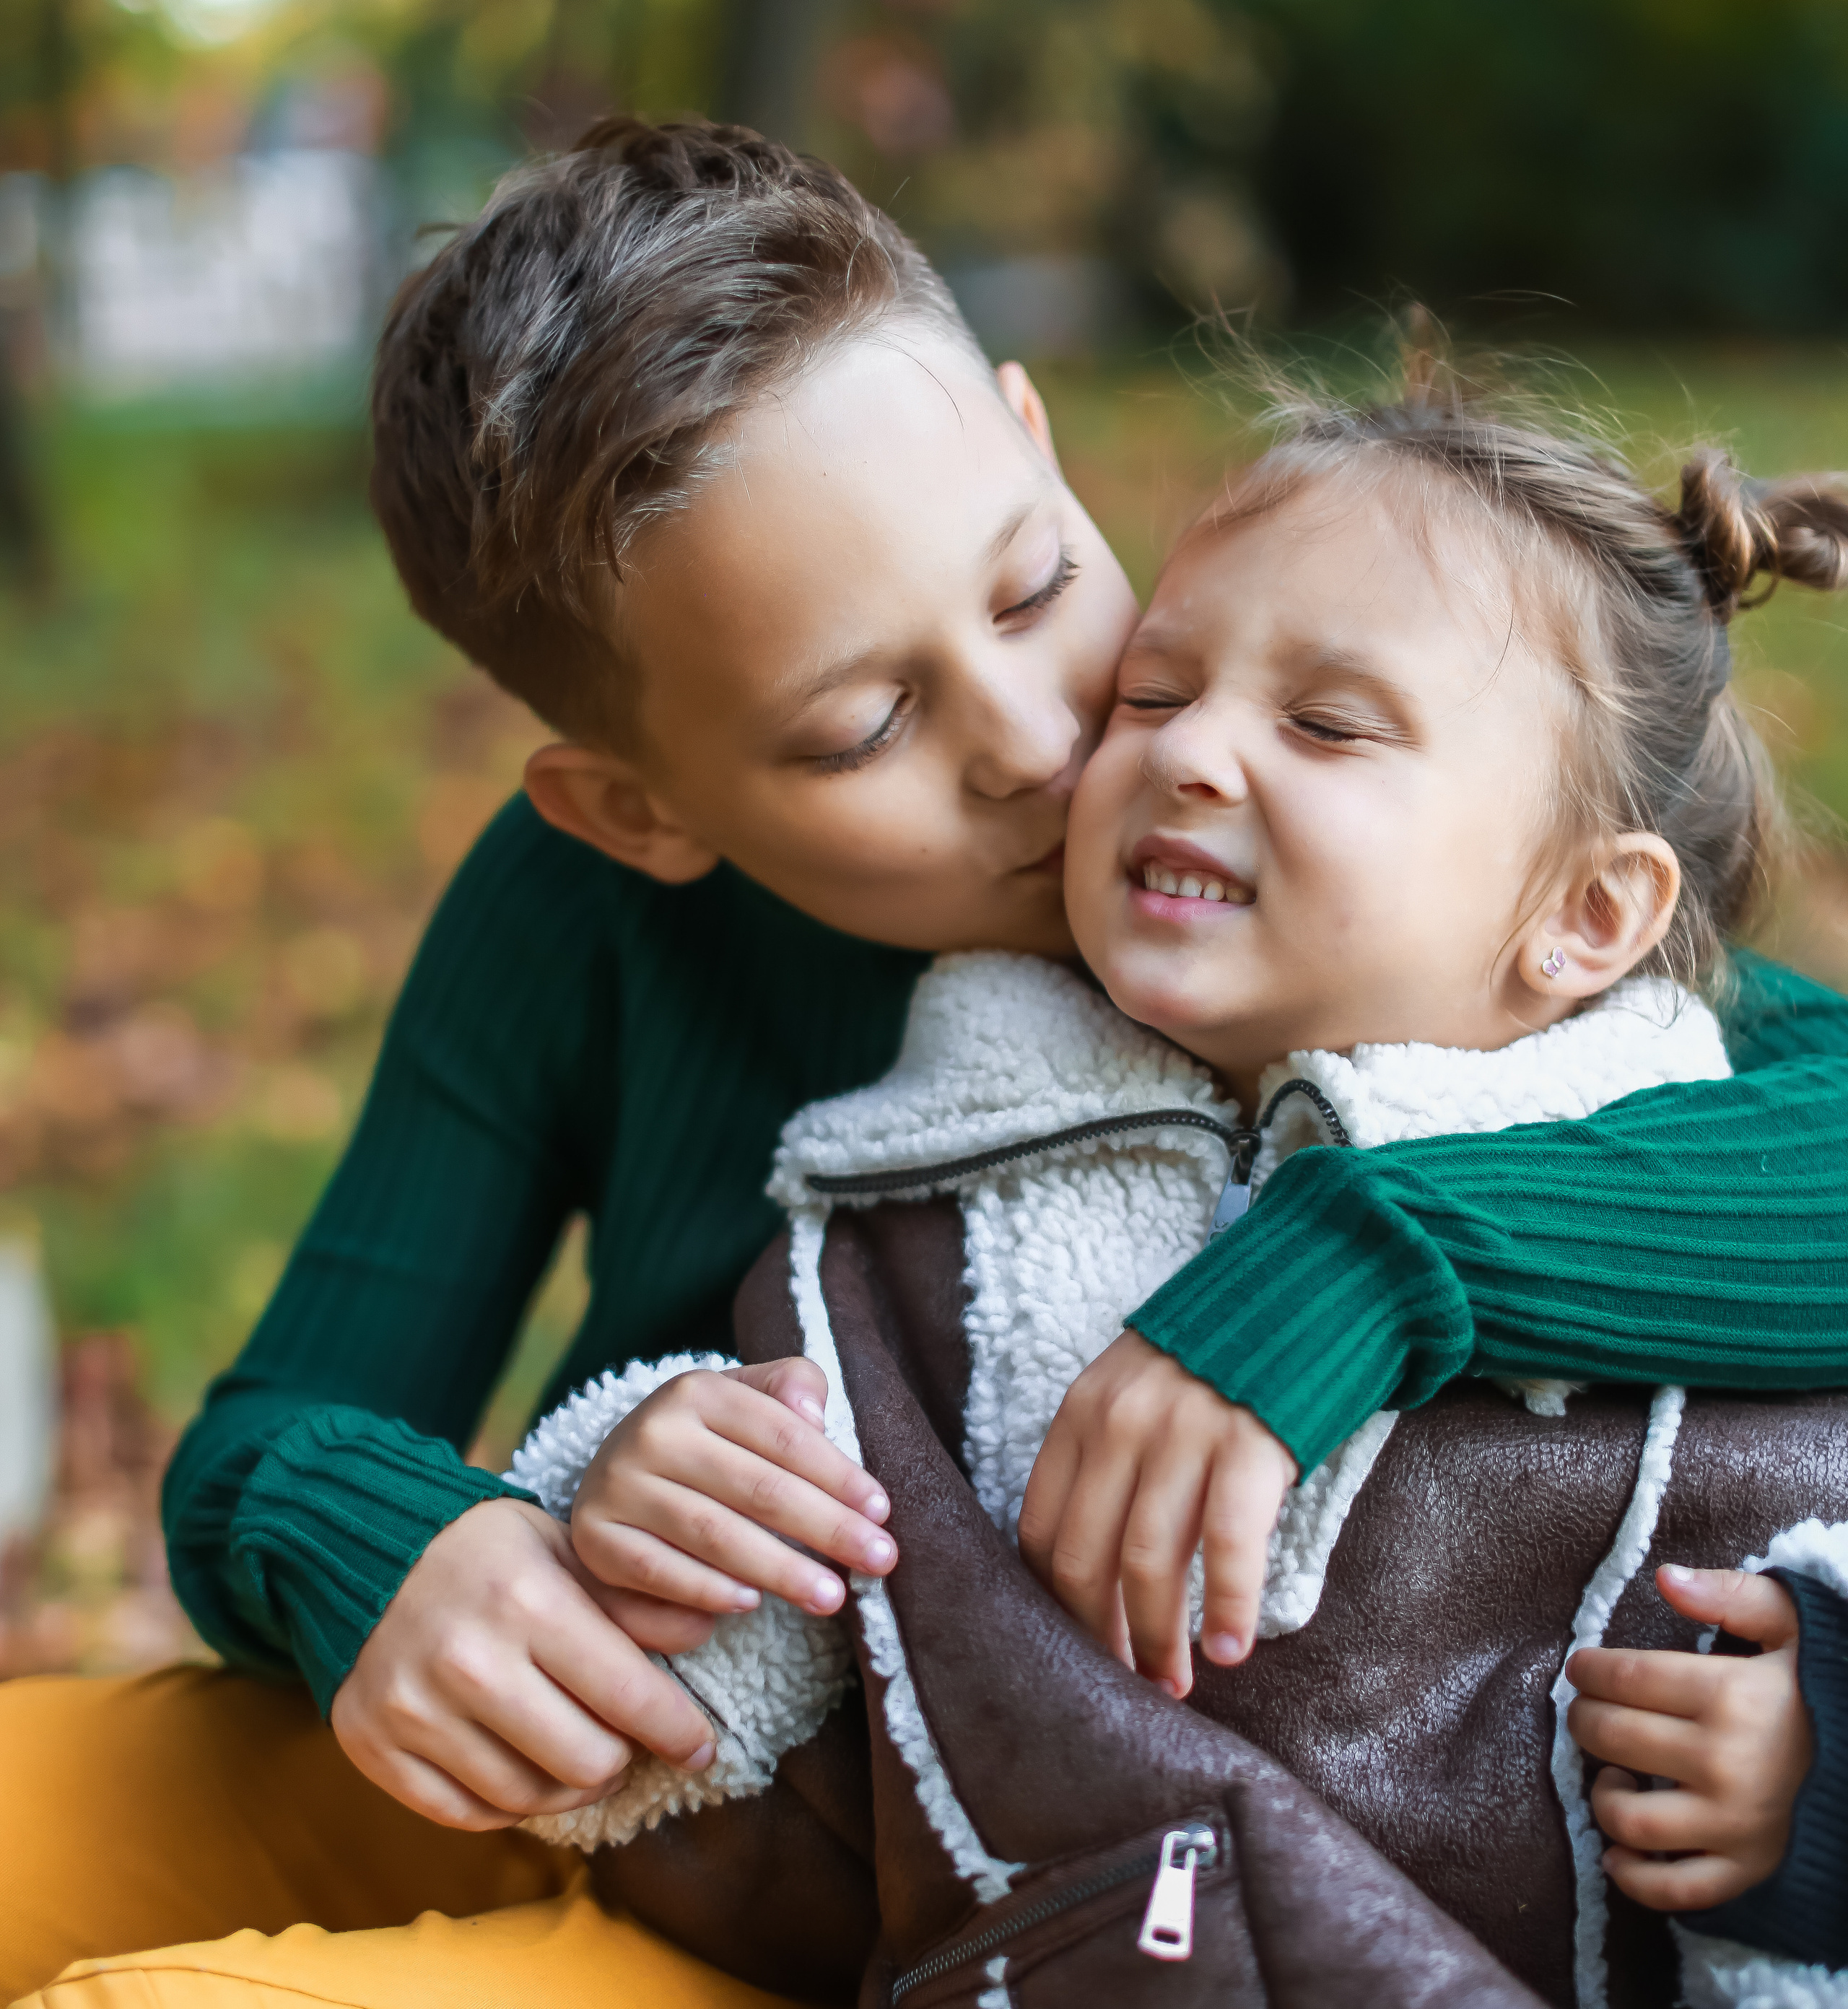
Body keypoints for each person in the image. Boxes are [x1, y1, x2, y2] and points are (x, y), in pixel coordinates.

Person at [4, 116, 1845, 2006]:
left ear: (1034, 441)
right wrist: (406, 1550)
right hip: (656, 1736)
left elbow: (1775, 1115)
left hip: (972, 1900)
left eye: (1039, 586)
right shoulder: (586, 917)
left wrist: (1376, 1251)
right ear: (632, 807)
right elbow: (269, 1431)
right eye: (866, 718)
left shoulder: (1319, 898)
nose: (1040, 741)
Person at [546, 355, 1846, 1992]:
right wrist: (619, 1516)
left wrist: (1832, 1786)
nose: (1186, 754)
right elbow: (734, 1701)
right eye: (1151, 695)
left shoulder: (1708, 1179)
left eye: (1324, 723)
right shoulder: (933, 1202)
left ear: (1585, 917)